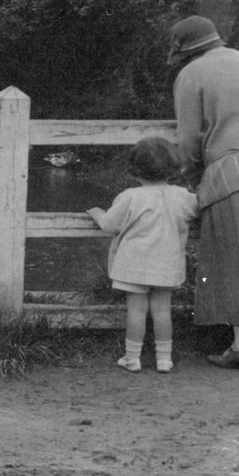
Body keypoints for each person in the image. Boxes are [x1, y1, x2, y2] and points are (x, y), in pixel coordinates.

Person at [169, 15, 239, 371]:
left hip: (233, 172)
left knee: (235, 257)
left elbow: (189, 139)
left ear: (185, 51)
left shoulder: (192, 75)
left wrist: (194, 177)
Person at [88, 137, 199, 373]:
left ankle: (132, 357)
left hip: (134, 265)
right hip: (166, 265)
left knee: (136, 311)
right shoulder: (181, 196)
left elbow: (109, 224)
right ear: (173, 169)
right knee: (162, 311)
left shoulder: (130, 196)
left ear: (134, 170)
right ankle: (164, 359)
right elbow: (197, 209)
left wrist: (97, 213)